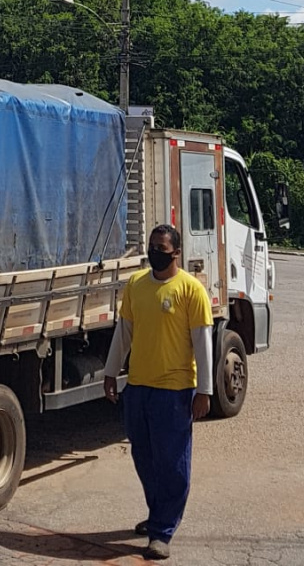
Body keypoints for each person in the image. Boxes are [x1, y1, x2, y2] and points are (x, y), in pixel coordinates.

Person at [103, 223, 213, 562]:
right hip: (139, 388)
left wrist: (204, 391)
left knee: (173, 463)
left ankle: (162, 531)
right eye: (151, 247)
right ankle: (157, 514)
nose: (155, 253)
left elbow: (202, 344)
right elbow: (124, 333)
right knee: (144, 457)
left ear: (176, 252)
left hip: (175, 392)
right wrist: (110, 372)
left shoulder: (191, 290)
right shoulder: (136, 285)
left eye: (161, 248)